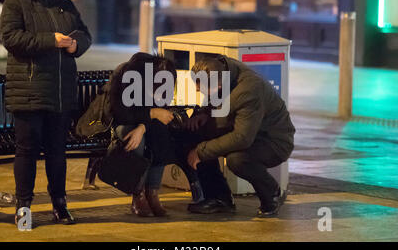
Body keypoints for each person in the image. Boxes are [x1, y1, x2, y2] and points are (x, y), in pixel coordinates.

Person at [0, 0, 92, 227]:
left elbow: (85, 35)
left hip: (60, 92)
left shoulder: (65, 6)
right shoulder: (16, 2)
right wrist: (50, 40)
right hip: (28, 89)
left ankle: (60, 205)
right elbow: (11, 38)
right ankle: (23, 207)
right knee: (26, 151)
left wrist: (76, 45)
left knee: (57, 152)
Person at [184, 55, 295, 217]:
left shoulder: (250, 90)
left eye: (203, 87)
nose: (197, 90)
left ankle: (272, 193)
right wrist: (204, 113)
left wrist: (201, 152)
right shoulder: (224, 69)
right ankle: (219, 199)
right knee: (195, 133)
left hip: (272, 140)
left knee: (237, 160)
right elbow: (216, 98)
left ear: (219, 84)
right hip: (242, 128)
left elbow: (242, 138)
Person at [109, 52, 178, 217]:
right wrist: (152, 114)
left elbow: (159, 111)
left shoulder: (156, 78)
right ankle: (138, 194)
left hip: (142, 123)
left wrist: (143, 125)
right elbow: (122, 114)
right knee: (136, 141)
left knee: (161, 134)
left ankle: (152, 193)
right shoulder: (126, 75)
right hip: (118, 123)